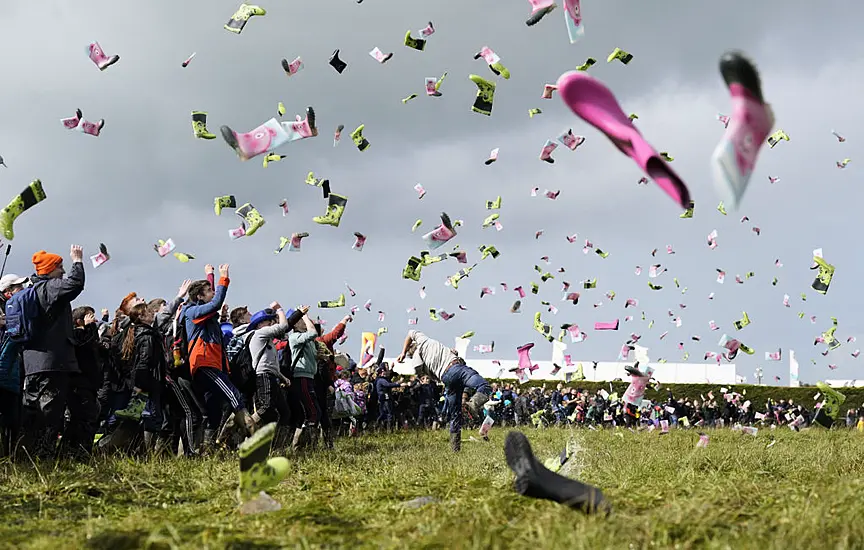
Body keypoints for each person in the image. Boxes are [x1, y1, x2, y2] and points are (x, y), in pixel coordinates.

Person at [20, 245, 92, 460]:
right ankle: (44, 457)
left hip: (33, 362)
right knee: (50, 412)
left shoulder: (31, 291)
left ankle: (27, 454)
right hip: (52, 362)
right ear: (50, 270)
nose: (62, 270)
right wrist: (77, 261)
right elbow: (75, 284)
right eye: (59, 267)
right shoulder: (50, 288)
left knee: (34, 410)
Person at [184, 264, 254, 446]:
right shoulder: (191, 311)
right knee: (234, 396)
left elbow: (212, 301)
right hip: (204, 365)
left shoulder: (207, 314)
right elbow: (215, 303)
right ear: (199, 296)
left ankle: (207, 449)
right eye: (208, 291)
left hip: (215, 364)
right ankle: (253, 437)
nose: (213, 292)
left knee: (213, 410)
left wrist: (210, 275)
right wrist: (224, 278)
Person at [396, 330, 491, 452]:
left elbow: (431, 376)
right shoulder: (423, 340)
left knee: (455, 415)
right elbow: (410, 333)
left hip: (446, 378)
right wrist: (402, 352)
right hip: (456, 368)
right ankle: (472, 406)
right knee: (484, 386)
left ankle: (454, 449)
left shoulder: (417, 364)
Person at [0, 274, 28, 456]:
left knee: (12, 421)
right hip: (4, 375)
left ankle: (10, 459)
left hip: (13, 377)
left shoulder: (15, 311)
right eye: (17, 286)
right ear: (8, 292)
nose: (22, 289)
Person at [314, 314, 352, 448]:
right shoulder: (321, 340)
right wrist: (345, 319)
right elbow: (336, 333)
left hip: (312, 382)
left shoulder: (310, 342)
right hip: (324, 382)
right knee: (324, 414)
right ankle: (327, 444)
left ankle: (312, 444)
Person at [287, 307, 320, 451]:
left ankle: (305, 444)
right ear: (294, 324)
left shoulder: (308, 340)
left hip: (310, 377)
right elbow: (313, 332)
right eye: (300, 320)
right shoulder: (294, 337)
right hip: (301, 377)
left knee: (314, 411)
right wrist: (305, 315)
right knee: (312, 412)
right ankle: (301, 446)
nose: (305, 322)